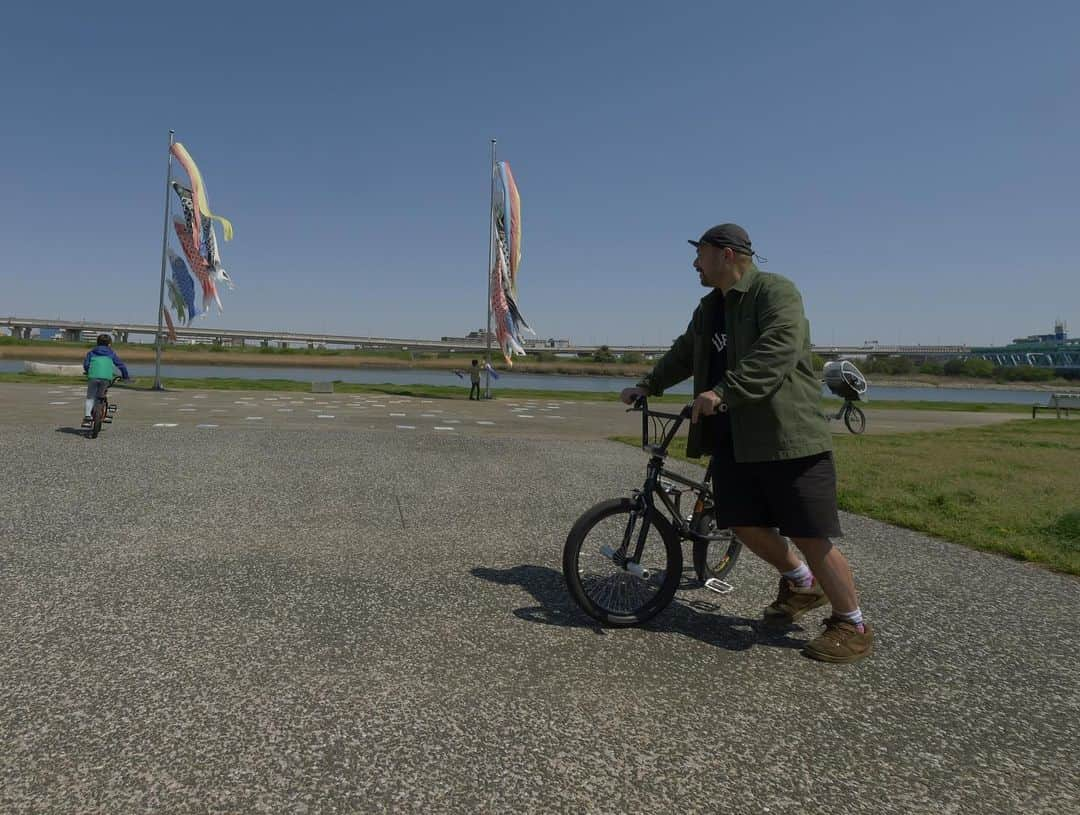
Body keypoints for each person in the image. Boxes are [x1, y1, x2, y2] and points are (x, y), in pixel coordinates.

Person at [621, 224, 873, 663]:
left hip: (787, 437)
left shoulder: (775, 293)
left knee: (809, 534)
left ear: (726, 254)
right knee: (740, 522)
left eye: (699, 254)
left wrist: (723, 391)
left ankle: (852, 623)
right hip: (734, 438)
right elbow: (684, 352)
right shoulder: (709, 308)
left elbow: (777, 349)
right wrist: (649, 384)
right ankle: (800, 583)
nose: (694, 264)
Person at [82, 334, 130, 425]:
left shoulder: (91, 352)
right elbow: (121, 365)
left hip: (93, 377)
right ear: (109, 344)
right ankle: (102, 411)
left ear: (97, 343)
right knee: (102, 394)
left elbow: (86, 365)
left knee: (90, 396)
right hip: (106, 378)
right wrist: (125, 376)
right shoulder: (111, 353)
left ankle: (87, 418)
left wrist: (88, 371)